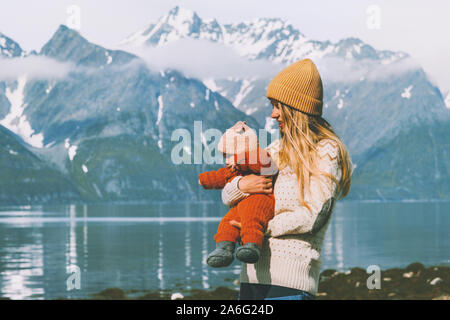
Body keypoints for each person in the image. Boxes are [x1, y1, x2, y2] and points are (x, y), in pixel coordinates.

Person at [221, 58, 353, 300]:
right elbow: (228, 196)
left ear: (296, 107)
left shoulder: (326, 151)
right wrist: (242, 185)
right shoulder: (273, 150)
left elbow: (314, 216)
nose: (272, 114)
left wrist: (258, 228)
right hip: (250, 279)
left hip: (290, 283)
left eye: (277, 106)